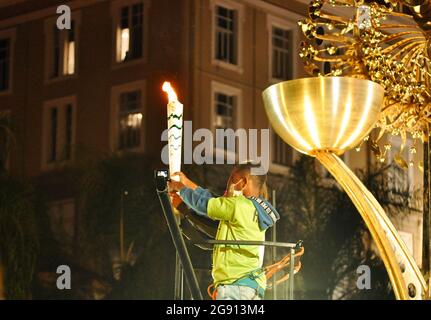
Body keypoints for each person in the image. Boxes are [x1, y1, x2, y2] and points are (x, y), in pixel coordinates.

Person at [168, 162, 280, 300]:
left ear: (243, 182)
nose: (228, 185)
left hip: (235, 286)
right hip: (247, 286)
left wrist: (179, 187)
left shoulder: (238, 206)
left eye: (232, 180)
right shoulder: (252, 208)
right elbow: (214, 199)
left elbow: (205, 204)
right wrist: (187, 183)